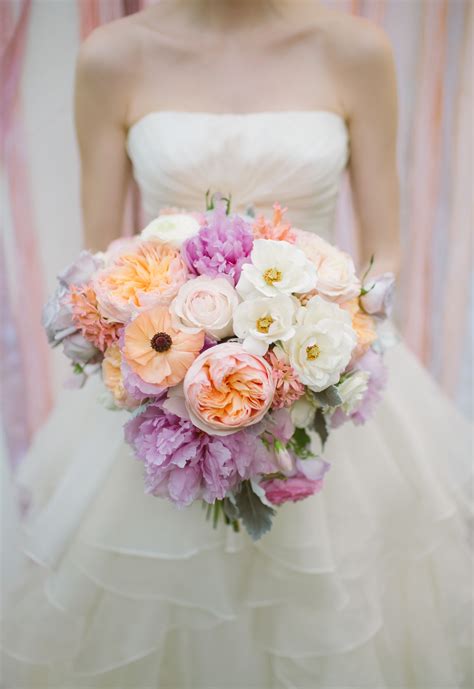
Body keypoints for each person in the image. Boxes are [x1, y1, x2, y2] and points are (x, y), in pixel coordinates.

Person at [2, 2, 472, 687]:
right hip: (165, 390)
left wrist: (311, 356)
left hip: (319, 370)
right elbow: (101, 263)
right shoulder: (113, 56)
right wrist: (177, 368)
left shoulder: (355, 49)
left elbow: (385, 248)